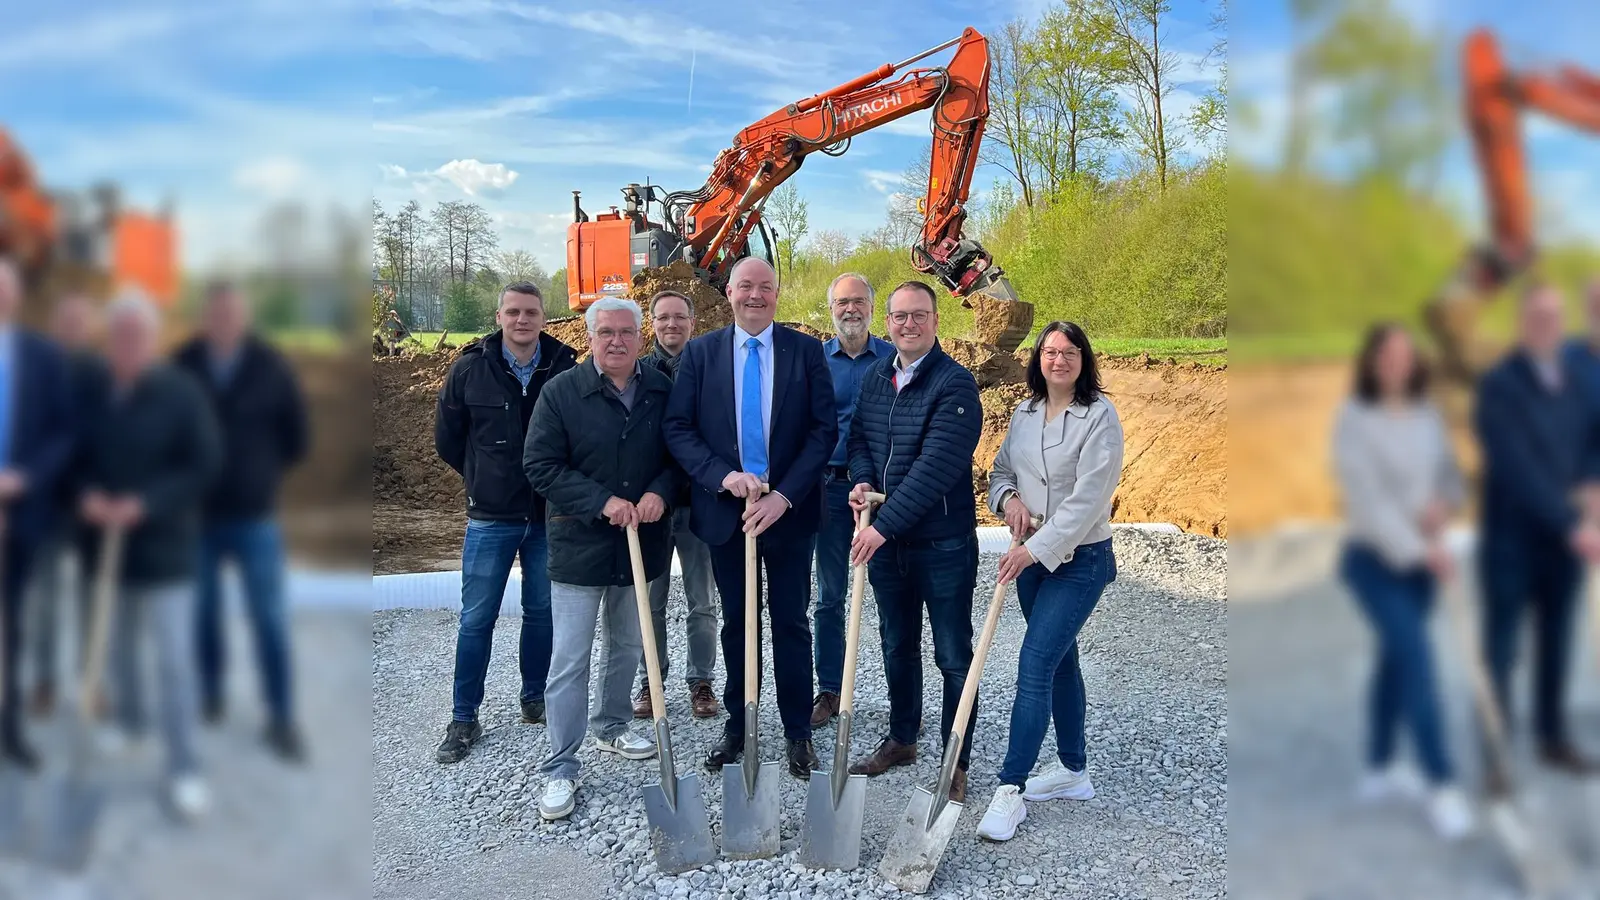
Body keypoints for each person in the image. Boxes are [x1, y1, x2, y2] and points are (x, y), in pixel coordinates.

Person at [662, 256, 836, 778]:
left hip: (788, 511)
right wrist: (721, 476)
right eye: (745, 286)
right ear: (730, 293)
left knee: (789, 622)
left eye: (765, 287)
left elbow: (822, 432)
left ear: (777, 294)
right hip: (727, 515)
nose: (754, 295)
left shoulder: (805, 351)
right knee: (738, 624)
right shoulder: (700, 353)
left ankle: (797, 733)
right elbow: (678, 428)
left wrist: (782, 495)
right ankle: (738, 726)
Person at [524, 296, 676, 821]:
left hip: (642, 543)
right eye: (605, 332)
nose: (616, 341)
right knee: (569, 660)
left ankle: (611, 726)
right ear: (589, 338)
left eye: (626, 332)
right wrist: (600, 501)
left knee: (629, 645)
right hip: (580, 545)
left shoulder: (660, 389)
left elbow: (680, 454)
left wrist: (661, 491)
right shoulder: (561, 393)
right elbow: (540, 464)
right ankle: (560, 767)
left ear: (641, 336)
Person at [75, 290, 221, 820]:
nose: (128, 344)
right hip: (106, 551)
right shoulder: (92, 391)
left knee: (173, 662)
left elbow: (203, 463)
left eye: (138, 335)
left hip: (164, 553)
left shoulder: (180, 393)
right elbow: (73, 454)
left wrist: (147, 503)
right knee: (118, 649)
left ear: (153, 338)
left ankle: (184, 769)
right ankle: (130, 722)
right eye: (120, 335)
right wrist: (86, 495)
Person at [975, 321, 1122, 842]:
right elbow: (998, 473)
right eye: (1049, 352)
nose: (1058, 360)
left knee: (1035, 662)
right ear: (1038, 358)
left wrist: (1031, 552)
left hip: (1078, 561)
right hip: (1034, 559)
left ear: (1085, 359)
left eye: (1069, 352)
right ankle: (1073, 771)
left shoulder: (1100, 418)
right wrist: (1009, 501)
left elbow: (1086, 504)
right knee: (1061, 661)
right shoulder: (1024, 412)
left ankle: (1009, 788)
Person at [1328, 323, 1474, 840]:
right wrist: (1420, 552)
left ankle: (1380, 767)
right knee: (1417, 657)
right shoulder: (1354, 420)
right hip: (1375, 561)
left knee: (1395, 659)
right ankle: (1441, 782)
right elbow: (1369, 504)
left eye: (1406, 356)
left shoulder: (1428, 416)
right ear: (1372, 362)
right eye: (1388, 355)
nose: (1397, 363)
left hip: (1422, 565)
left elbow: (1453, 478)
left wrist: (1444, 502)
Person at [843, 280, 982, 802]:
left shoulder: (956, 385)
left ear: (936, 320)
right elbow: (858, 438)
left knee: (953, 654)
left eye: (918, 316)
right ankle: (902, 738)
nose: (908, 325)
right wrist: (860, 480)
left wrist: (880, 526)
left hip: (940, 544)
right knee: (896, 645)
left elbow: (936, 469)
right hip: (889, 545)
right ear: (888, 322)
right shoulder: (877, 376)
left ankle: (956, 758)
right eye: (899, 317)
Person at [432, 281, 576, 764]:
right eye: (512, 312)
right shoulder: (470, 368)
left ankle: (534, 697)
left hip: (546, 513)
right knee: (477, 619)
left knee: (541, 611)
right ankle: (463, 716)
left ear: (543, 317)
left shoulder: (563, 366)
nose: (522, 320)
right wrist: (482, 478)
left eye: (531, 312)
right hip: (491, 516)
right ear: (499, 317)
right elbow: (449, 440)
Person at [171, 281, 310, 761]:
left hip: (254, 516)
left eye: (233, 313)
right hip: (198, 517)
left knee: (269, 619)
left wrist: (260, 474)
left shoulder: (269, 366)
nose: (225, 321)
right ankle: (210, 693)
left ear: (244, 318)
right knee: (203, 615)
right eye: (217, 313)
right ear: (205, 317)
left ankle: (281, 716)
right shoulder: (182, 365)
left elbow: (295, 437)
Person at [1476, 281, 1600, 787]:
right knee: (1503, 648)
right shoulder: (1499, 384)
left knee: (1557, 641)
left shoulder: (1574, 378)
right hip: (1512, 542)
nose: (1545, 324)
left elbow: (1594, 439)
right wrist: (1572, 522)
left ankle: (1552, 737)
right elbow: (1514, 468)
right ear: (1520, 322)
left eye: (1553, 316)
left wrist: (1593, 485)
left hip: (1562, 547)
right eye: (1536, 316)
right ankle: (1497, 755)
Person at [808, 273, 892, 729]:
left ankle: (902, 697)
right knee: (830, 595)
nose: (850, 310)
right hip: (832, 490)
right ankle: (831, 689)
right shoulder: (816, 362)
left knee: (890, 595)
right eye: (842, 302)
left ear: (872, 308)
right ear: (831, 309)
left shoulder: (894, 359)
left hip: (885, 495)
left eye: (858, 301)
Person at [631, 291, 720, 720]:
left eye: (679, 317)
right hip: (651, 505)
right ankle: (651, 680)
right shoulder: (637, 372)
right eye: (663, 318)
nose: (672, 325)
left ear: (692, 320)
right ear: (653, 323)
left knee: (702, 599)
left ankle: (701, 681)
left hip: (699, 502)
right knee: (651, 599)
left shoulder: (708, 368)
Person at [0, 258, 75, 768]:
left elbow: (64, 433)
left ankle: (9, 728)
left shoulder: (44, 357)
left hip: (21, 516)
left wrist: (26, 478)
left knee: (11, 627)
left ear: (17, 297)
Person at [24, 291, 100, 718]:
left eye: (80, 320)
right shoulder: (37, 369)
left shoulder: (103, 373)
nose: (72, 327)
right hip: (48, 504)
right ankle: (44, 682)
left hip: (89, 504)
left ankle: (92, 681)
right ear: (53, 324)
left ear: (91, 328)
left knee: (91, 598)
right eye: (65, 319)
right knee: (46, 599)